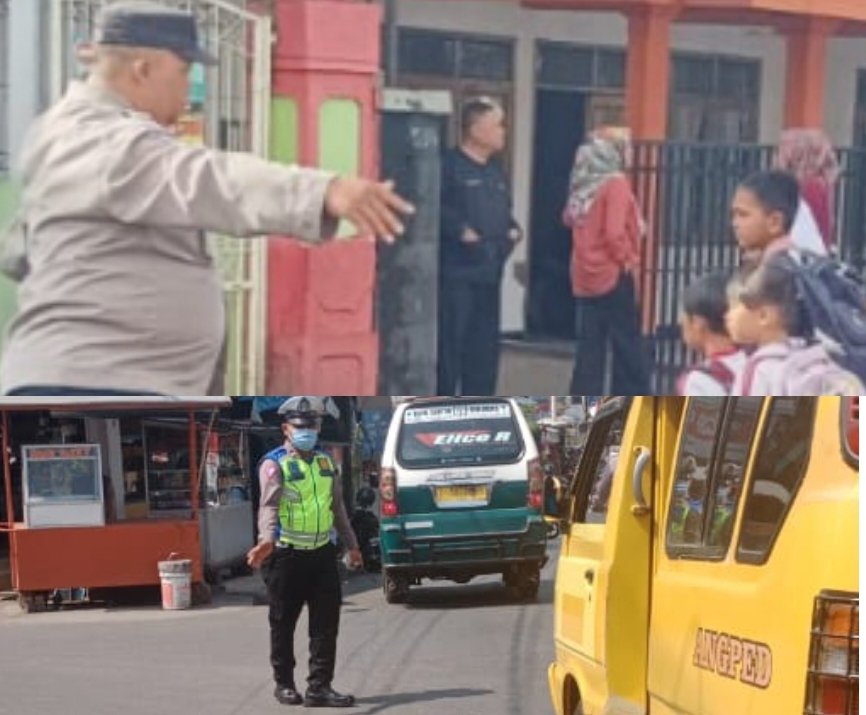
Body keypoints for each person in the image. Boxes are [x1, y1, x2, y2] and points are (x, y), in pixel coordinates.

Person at [0, 2, 413, 397]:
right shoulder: (98, 138)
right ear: (142, 69)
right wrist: (323, 190)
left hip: (114, 378)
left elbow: (19, 252)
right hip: (94, 383)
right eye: (183, 72)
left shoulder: (70, 134)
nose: (185, 94)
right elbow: (204, 177)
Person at [246, 396, 362, 708]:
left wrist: (352, 545)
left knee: (326, 625)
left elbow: (337, 509)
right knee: (283, 622)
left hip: (322, 554)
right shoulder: (274, 464)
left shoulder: (326, 463)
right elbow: (268, 507)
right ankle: (284, 684)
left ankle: (319, 687)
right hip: (286, 556)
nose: (307, 431)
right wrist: (266, 540)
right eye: (300, 426)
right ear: (286, 428)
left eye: (312, 426)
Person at [437, 97, 522, 396]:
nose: (503, 131)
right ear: (476, 129)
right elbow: (435, 211)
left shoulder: (495, 170)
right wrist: (460, 231)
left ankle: (480, 402)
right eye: (498, 124)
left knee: (484, 350)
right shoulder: (449, 166)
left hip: (490, 272)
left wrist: (513, 232)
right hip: (458, 275)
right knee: (450, 347)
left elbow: (503, 210)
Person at [564, 127, 650, 395]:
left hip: (584, 274)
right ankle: (631, 399)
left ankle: (582, 403)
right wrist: (627, 258)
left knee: (590, 345)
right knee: (626, 342)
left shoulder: (583, 182)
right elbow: (614, 232)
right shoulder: (616, 183)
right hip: (613, 272)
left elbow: (569, 218)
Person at [725, 260, 863, 396]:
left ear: (763, 316)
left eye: (733, 306)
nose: (727, 316)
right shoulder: (818, 359)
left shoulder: (758, 370)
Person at [677, 272, 746, 395]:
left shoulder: (698, 381)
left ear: (699, 323)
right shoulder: (759, 365)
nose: (680, 322)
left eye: (684, 315)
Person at [775, 128, 840, 254]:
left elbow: (815, 225)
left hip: (801, 253)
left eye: (783, 149)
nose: (779, 154)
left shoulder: (810, 186)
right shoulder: (815, 183)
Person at [730, 170, 800, 268]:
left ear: (775, 222)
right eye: (734, 215)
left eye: (743, 214)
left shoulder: (776, 269)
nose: (735, 223)